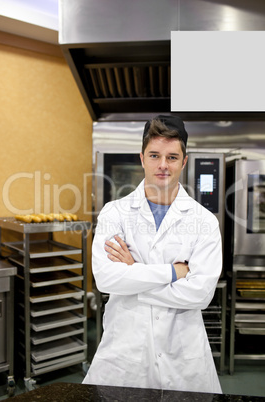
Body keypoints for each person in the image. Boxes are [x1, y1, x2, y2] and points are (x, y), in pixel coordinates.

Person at [83, 115, 222, 394]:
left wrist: (133, 274)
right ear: (142, 158)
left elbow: (200, 294)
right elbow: (107, 280)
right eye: (154, 155)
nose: (162, 165)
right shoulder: (115, 212)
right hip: (124, 354)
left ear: (183, 161)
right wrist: (173, 272)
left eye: (172, 157)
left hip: (182, 354)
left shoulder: (204, 221)